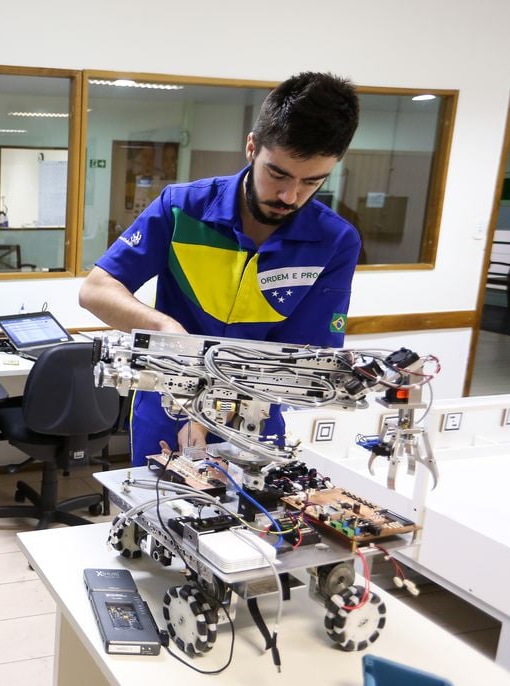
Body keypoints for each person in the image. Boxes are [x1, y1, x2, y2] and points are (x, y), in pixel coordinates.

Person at [79, 72, 361, 465]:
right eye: (277, 173)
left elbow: (305, 355)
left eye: (311, 182)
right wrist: (168, 333)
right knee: (152, 511)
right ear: (251, 147)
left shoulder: (334, 241)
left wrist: (218, 407)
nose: (289, 195)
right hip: (167, 402)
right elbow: (95, 289)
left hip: (255, 416)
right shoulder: (182, 208)